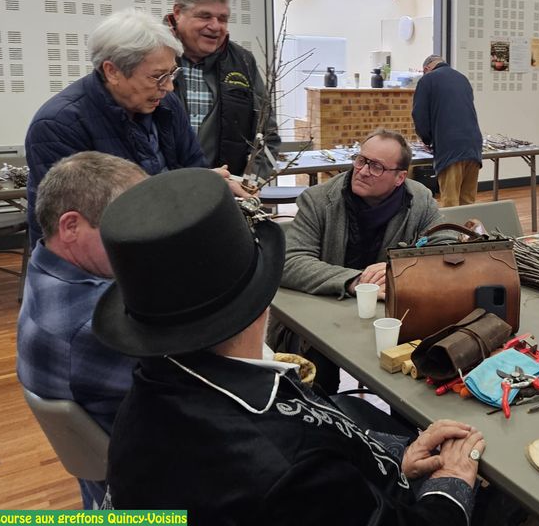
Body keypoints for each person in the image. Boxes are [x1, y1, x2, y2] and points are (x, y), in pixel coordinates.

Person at [93, 167, 484, 524]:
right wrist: (450, 481)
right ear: (262, 300)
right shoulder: (292, 466)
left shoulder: (148, 392)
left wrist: (396, 460)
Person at [25, 9, 246, 244]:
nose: (169, 87)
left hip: (165, 241)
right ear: (112, 71)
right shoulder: (58, 125)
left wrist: (209, 185)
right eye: (157, 76)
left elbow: (193, 166)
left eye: (172, 73)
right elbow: (89, 224)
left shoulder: (166, 104)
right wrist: (189, 189)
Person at [16, 152, 147, 508]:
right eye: (127, 226)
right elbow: (205, 383)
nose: (142, 239)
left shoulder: (46, 267)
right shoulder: (93, 325)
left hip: (100, 482)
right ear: (71, 226)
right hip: (148, 488)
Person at [283, 128, 441, 300]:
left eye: (376, 167)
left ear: (400, 178)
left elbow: (447, 247)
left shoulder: (420, 199)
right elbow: (290, 261)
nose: (363, 172)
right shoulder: (317, 200)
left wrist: (400, 268)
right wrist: (356, 281)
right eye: (361, 160)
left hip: (392, 307)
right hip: (331, 303)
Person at [166, 0, 280, 183]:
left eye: (223, 19)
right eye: (205, 16)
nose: (215, 26)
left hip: (225, 194)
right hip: (164, 193)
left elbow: (267, 136)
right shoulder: (150, 56)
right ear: (178, 13)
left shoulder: (243, 62)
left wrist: (250, 183)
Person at [411, 55, 483, 207]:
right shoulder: (462, 78)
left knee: (450, 203)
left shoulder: (427, 80)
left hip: (450, 148)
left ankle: (451, 225)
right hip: (474, 146)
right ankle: (467, 224)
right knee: (468, 202)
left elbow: (419, 115)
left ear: (426, 69)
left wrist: (427, 140)